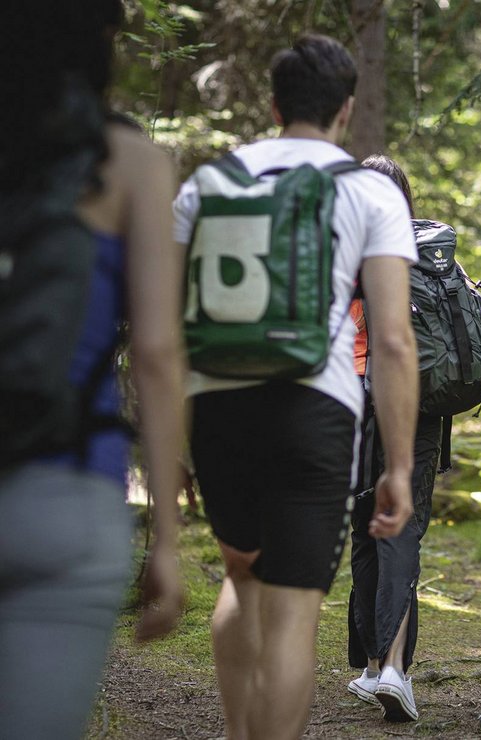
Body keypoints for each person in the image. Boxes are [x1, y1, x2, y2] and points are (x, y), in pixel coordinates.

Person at [172, 36, 419, 740]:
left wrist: (172, 443)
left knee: (240, 578)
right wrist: (397, 467)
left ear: (274, 105)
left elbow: (170, 327)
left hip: (218, 403)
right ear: (346, 111)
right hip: (319, 410)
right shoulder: (369, 191)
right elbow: (395, 342)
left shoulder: (209, 184)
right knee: (291, 614)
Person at [0, 2, 186, 738]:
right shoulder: (130, 161)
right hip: (68, 491)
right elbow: (158, 355)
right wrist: (166, 540)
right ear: (101, 41)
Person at [345, 155, 442, 722]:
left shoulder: (345, 248)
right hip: (415, 405)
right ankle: (389, 668)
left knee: (365, 529)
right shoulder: (427, 252)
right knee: (399, 529)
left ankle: (376, 664)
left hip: (352, 400)